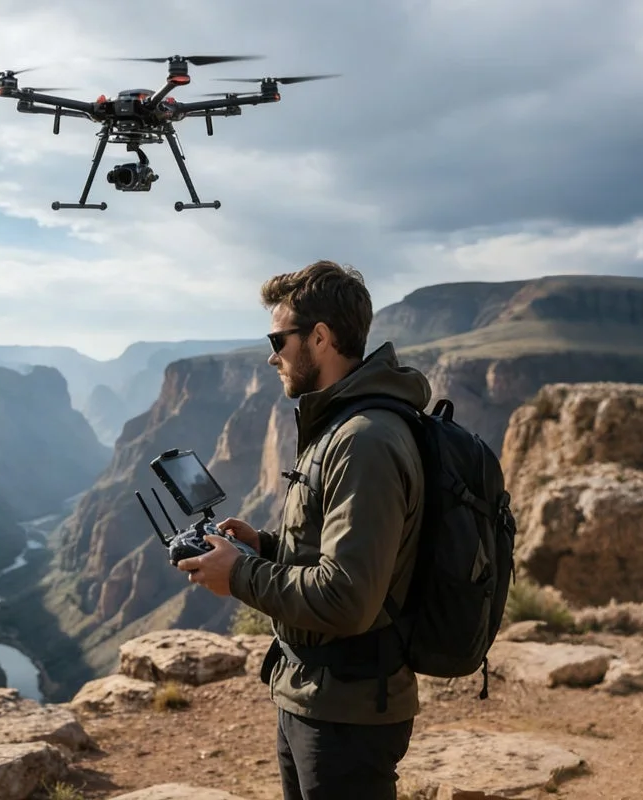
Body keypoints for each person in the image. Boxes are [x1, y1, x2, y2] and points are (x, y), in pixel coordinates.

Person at [176, 259, 432, 800]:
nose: (272, 356)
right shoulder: (338, 424)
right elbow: (339, 550)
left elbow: (347, 597)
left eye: (278, 338)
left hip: (348, 711)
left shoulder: (364, 440)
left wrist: (241, 575)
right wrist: (264, 546)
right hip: (315, 694)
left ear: (319, 338)